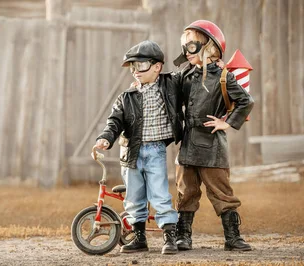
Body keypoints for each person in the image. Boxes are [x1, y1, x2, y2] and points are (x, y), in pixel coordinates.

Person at [172, 20, 254, 252]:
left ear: (209, 47)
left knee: (221, 192)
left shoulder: (223, 77)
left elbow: (246, 101)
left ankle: (233, 237)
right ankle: (183, 236)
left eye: (190, 46)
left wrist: (226, 122)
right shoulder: (186, 76)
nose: (186, 52)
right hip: (188, 144)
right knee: (186, 191)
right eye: (184, 46)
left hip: (212, 145)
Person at [94, 40, 183, 255]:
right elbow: (114, 121)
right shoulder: (127, 97)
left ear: (157, 67)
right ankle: (139, 237)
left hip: (155, 151)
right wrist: (105, 138)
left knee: (160, 194)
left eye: (141, 65)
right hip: (131, 153)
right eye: (132, 67)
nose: (136, 71)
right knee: (134, 197)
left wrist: (193, 49)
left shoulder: (170, 85)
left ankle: (169, 236)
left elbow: (188, 70)